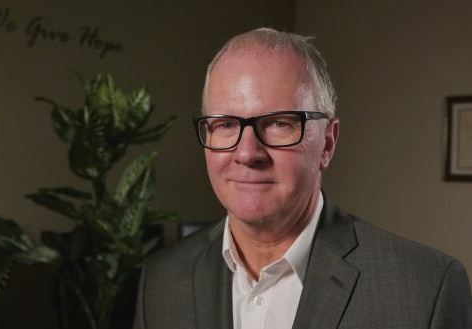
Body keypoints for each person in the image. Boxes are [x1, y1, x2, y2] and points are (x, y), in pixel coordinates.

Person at [133, 28, 472, 329]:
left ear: (327, 142)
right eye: (226, 125)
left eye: (279, 123)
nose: (248, 153)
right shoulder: (162, 281)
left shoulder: (425, 289)